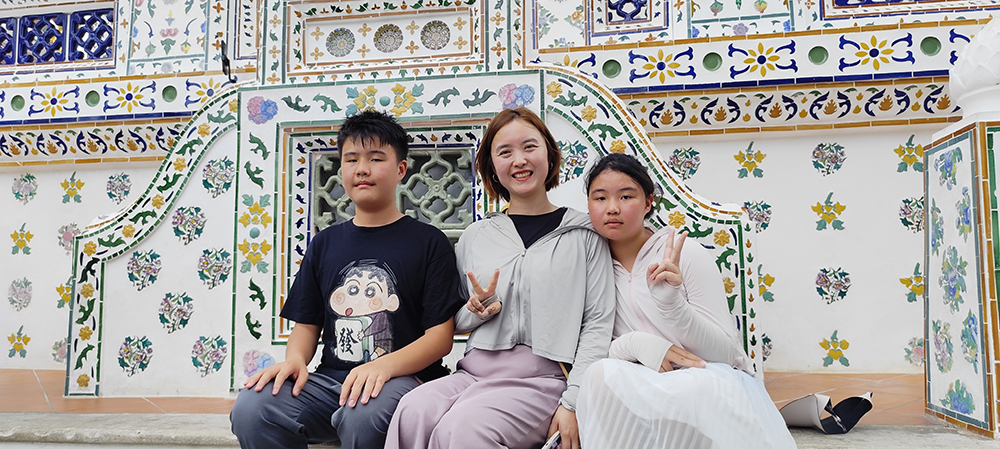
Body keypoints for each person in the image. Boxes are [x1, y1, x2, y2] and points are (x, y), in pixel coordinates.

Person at [230, 109, 465, 449]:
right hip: (331, 385)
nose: (362, 169)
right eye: (351, 159)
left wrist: (384, 367)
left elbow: (439, 339)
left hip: (402, 381)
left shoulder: (430, 242)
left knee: (365, 411)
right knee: (253, 407)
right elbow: (306, 326)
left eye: (376, 159)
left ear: (401, 169)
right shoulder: (324, 243)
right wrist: (294, 361)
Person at [384, 107, 615, 449]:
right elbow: (452, 321)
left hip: (543, 379)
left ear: (549, 154)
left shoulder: (585, 235)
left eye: (529, 147)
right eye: (505, 152)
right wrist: (476, 310)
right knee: (412, 411)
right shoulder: (476, 236)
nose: (519, 160)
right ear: (492, 167)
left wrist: (573, 401)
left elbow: (597, 323)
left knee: (463, 430)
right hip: (473, 372)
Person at [578, 153, 796, 449]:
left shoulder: (685, 254)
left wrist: (673, 305)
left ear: (648, 202)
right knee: (598, 375)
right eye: (600, 198)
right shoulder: (588, 263)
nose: (612, 208)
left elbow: (723, 353)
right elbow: (582, 348)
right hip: (638, 384)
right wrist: (632, 344)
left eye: (626, 196)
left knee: (696, 387)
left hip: (702, 380)